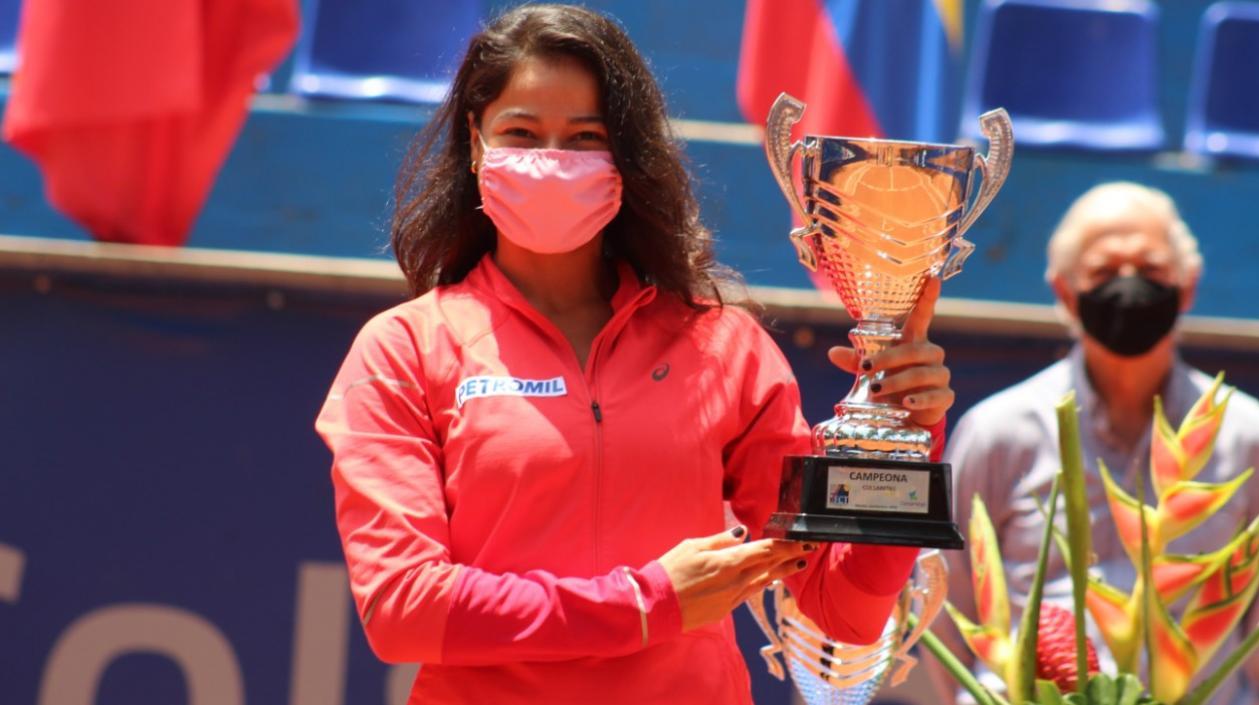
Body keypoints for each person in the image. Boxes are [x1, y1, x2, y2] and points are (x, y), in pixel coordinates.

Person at [315, 4, 957, 704]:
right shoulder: (403, 349)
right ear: (476, 146)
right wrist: (646, 603)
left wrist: (902, 437)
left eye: (585, 138)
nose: (553, 159)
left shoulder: (723, 346)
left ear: (626, 155)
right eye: (523, 133)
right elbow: (404, 609)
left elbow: (842, 608)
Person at [942, 182, 1259, 704]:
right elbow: (949, 601)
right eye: (1104, 272)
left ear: (1188, 286)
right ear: (1065, 292)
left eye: (1152, 270)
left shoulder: (1246, 436)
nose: (1129, 287)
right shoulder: (999, 431)